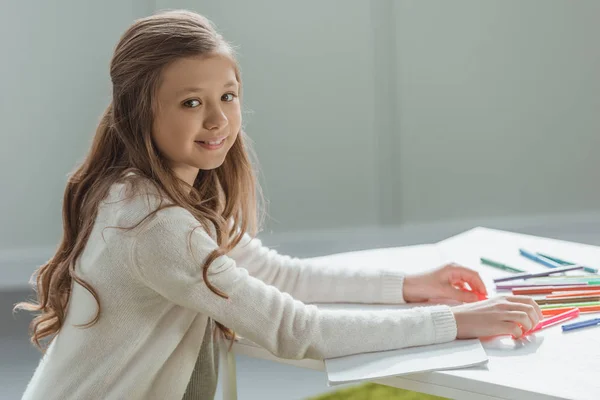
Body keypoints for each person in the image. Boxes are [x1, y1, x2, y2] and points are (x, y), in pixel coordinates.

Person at [15, 10, 542, 400]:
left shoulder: (157, 194)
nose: (219, 120)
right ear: (138, 113)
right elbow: (296, 330)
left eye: (229, 94)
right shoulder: (152, 225)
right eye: (191, 102)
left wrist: (410, 286)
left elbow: (278, 277)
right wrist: (458, 321)